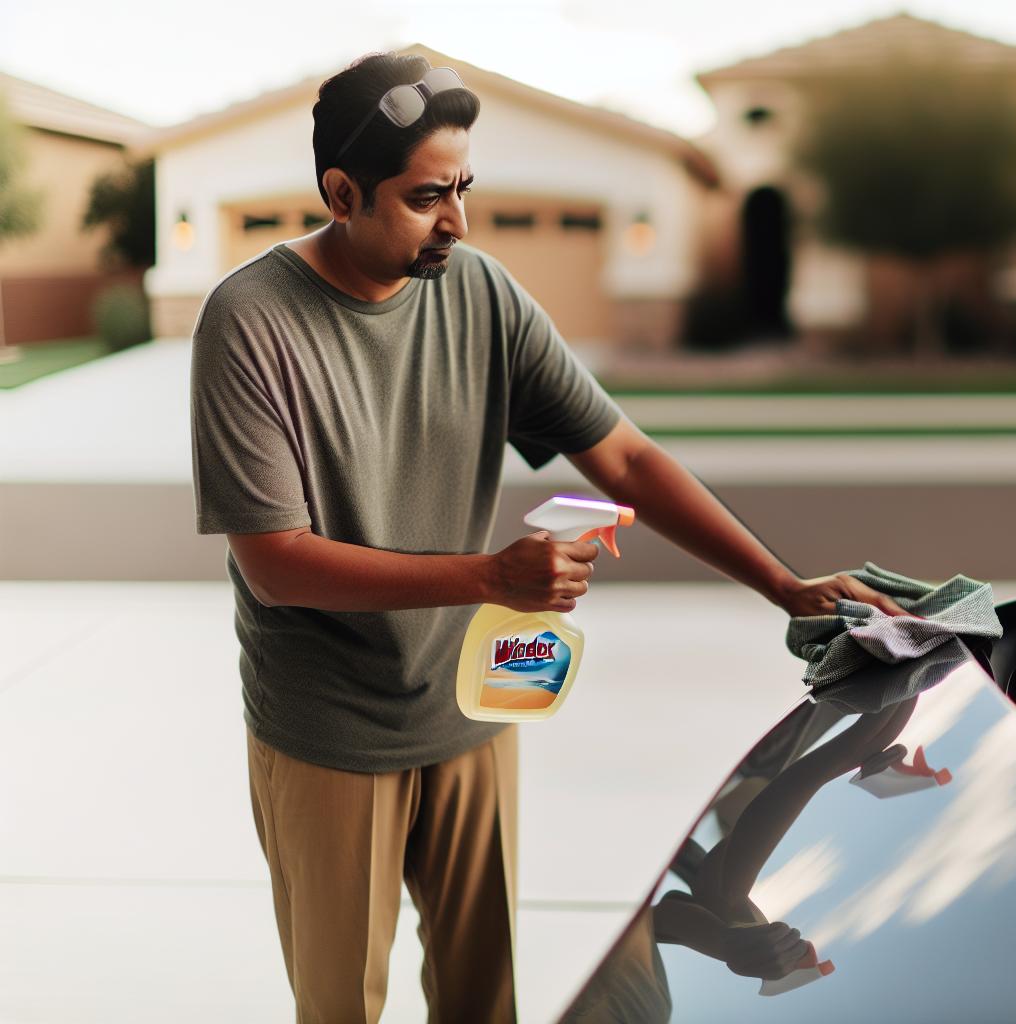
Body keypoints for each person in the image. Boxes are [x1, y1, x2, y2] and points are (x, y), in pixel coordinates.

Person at [188, 51, 913, 1023]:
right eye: (426, 196)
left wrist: (781, 584)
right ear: (341, 191)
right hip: (324, 730)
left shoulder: (480, 294)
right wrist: (491, 572)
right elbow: (275, 565)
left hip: (467, 711)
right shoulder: (249, 321)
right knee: (338, 1008)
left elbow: (624, 459)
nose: (457, 220)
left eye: (464, 189)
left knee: (485, 999)